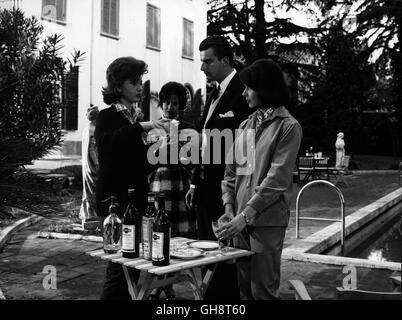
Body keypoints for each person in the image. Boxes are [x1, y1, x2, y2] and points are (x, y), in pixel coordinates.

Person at [218, 59, 302, 300]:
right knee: (244, 292)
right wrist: (229, 209)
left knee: (262, 291)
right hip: (239, 222)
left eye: (248, 87)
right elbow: (231, 174)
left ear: (264, 88)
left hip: (266, 223)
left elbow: (277, 179)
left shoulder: (288, 127)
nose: (243, 93)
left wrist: (245, 215)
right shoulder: (245, 125)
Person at [95, 56, 169, 300]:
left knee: (134, 266)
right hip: (115, 202)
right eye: (134, 82)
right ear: (118, 86)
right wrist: (143, 127)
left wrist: (161, 149)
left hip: (135, 200)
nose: (140, 86)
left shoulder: (134, 118)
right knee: (119, 268)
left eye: (141, 81)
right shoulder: (108, 116)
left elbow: (139, 163)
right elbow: (108, 145)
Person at [185, 35, 250, 300]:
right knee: (206, 254)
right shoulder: (214, 93)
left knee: (223, 258)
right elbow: (204, 143)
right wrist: (193, 182)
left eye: (208, 61)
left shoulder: (243, 92)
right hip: (204, 188)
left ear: (225, 60)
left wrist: (233, 199)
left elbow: (246, 151)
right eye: (201, 62)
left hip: (224, 191)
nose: (202, 68)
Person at [148, 81, 198, 300]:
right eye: (166, 102)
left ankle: (162, 287)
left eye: (175, 103)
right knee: (160, 233)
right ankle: (165, 288)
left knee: (179, 236)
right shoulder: (153, 126)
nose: (170, 107)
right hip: (160, 182)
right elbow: (148, 158)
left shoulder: (189, 127)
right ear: (161, 103)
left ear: (181, 105)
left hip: (181, 183)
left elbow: (194, 160)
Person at [79, 104, 99, 228]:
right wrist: (97, 163)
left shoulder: (86, 128)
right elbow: (91, 149)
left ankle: (87, 214)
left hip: (87, 165)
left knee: (88, 190)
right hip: (92, 164)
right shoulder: (93, 129)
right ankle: (91, 215)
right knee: (93, 189)